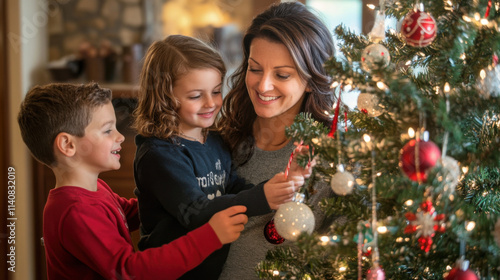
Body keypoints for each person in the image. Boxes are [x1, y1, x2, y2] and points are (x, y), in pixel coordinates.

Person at [17, 82, 249, 280]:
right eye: (108, 130)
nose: (119, 136)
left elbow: (127, 212)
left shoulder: (93, 188)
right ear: (68, 145)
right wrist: (210, 236)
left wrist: (180, 192)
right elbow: (130, 270)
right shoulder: (76, 212)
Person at [132, 35, 309, 280]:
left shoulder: (213, 139)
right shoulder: (159, 155)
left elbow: (234, 185)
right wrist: (261, 197)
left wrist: (280, 185)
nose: (211, 104)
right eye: (195, 96)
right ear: (164, 97)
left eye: (216, 91)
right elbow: (196, 213)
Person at [216, 2, 336, 279]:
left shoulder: (334, 157)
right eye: (255, 69)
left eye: (282, 74)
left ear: (311, 79)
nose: (263, 85)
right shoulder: (223, 138)